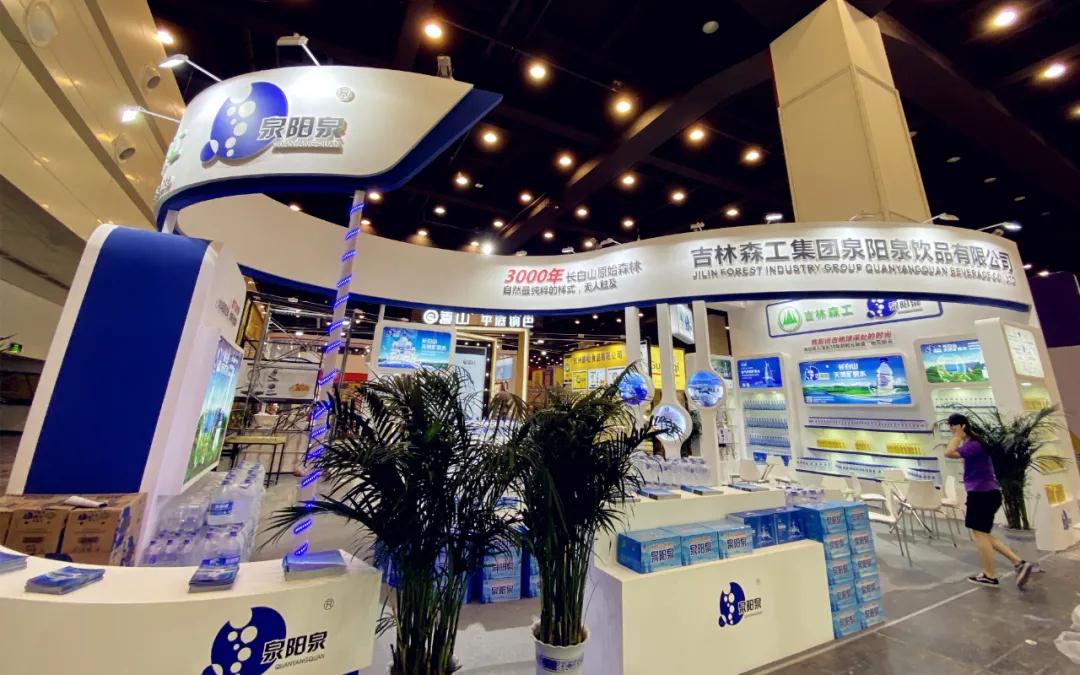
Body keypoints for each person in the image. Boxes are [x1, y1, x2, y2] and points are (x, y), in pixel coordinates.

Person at [944, 413, 1034, 588]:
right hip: (986, 494)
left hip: (981, 495)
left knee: (980, 535)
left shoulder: (974, 444)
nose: (951, 429)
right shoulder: (976, 443)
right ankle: (1019, 563)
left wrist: (957, 437)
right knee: (983, 535)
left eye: (953, 426)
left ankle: (990, 575)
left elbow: (949, 453)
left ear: (962, 426)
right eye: (950, 426)